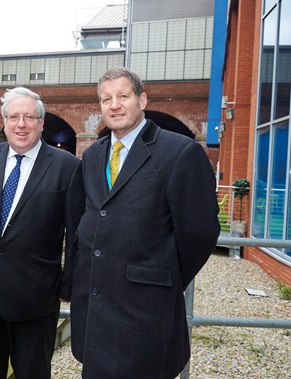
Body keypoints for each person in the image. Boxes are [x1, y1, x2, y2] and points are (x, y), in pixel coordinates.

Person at [68, 67, 220, 378]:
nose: (114, 105)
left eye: (123, 96)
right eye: (106, 99)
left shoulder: (179, 152)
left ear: (142, 99)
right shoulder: (94, 156)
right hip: (95, 314)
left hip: (145, 315)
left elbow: (200, 233)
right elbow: (91, 217)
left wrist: (162, 276)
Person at [0, 86, 83, 379]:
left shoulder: (67, 166)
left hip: (36, 298)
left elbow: (75, 233)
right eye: (14, 117)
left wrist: (68, 284)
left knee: (32, 373)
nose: (21, 124)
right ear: (4, 121)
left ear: (41, 122)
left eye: (29, 117)